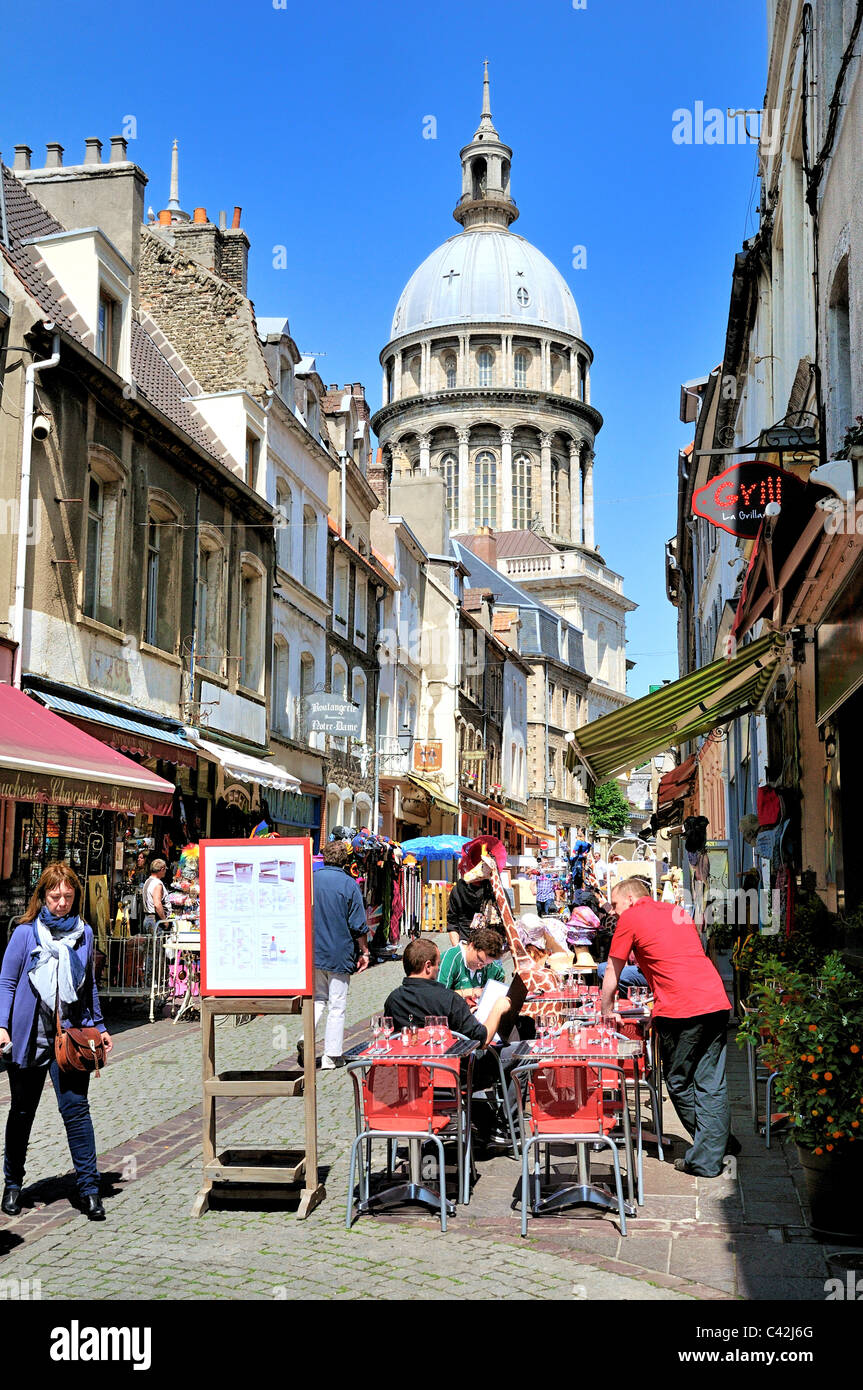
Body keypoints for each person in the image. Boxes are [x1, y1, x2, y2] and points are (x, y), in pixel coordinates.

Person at [0, 863, 113, 1220]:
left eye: (67, 895)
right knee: (21, 1112)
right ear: (43, 897)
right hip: (30, 1037)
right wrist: (1, 1026)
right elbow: (6, 983)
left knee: (76, 1111)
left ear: (75, 896)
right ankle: (13, 1185)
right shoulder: (24, 933)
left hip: (72, 1037)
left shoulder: (84, 934)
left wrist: (100, 1024)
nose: (61, 902)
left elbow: (89, 985)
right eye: (54, 896)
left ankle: (90, 1189)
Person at [600, 878, 732, 1177]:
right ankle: (717, 1143)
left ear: (631, 898)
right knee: (711, 1082)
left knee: (679, 1081)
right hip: (714, 999)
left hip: (680, 1010)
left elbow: (613, 969)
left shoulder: (631, 916)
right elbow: (682, 958)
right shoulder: (677, 911)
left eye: (616, 904)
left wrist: (606, 1009)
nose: (614, 911)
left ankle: (706, 1157)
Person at [384, 938, 513, 1064]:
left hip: (408, 1071)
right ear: (428, 966)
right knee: (518, 1053)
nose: (439, 969)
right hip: (452, 1071)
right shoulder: (449, 999)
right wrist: (498, 1008)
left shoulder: (393, 1000)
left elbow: (390, 1040)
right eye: (438, 964)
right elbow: (483, 1040)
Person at [305, 839, 369, 1069]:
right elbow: (358, 924)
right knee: (337, 1004)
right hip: (339, 952)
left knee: (317, 1000)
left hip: (313, 950)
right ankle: (331, 1056)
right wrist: (364, 950)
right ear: (345, 860)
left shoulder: (311, 880)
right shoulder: (349, 884)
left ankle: (305, 1037)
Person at [437, 928, 506, 1005]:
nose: (480, 967)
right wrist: (470, 992)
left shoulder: (493, 969)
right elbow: (438, 995)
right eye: (479, 959)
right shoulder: (450, 959)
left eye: (486, 964)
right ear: (471, 946)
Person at [141, 859, 168, 932]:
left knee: (150, 942)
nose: (165, 872)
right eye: (165, 869)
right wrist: (164, 920)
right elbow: (157, 904)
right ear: (162, 869)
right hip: (155, 920)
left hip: (148, 919)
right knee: (156, 942)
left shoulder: (148, 881)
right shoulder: (157, 883)